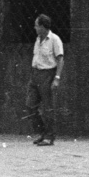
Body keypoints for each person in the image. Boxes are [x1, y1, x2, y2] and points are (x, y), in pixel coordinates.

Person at [26, 13, 63, 146]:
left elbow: (60, 59)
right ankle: (43, 132)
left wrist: (57, 78)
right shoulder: (38, 39)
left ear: (42, 26)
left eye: (36, 25)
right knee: (30, 106)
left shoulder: (54, 39)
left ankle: (49, 136)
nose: (35, 28)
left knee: (48, 107)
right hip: (35, 74)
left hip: (47, 74)